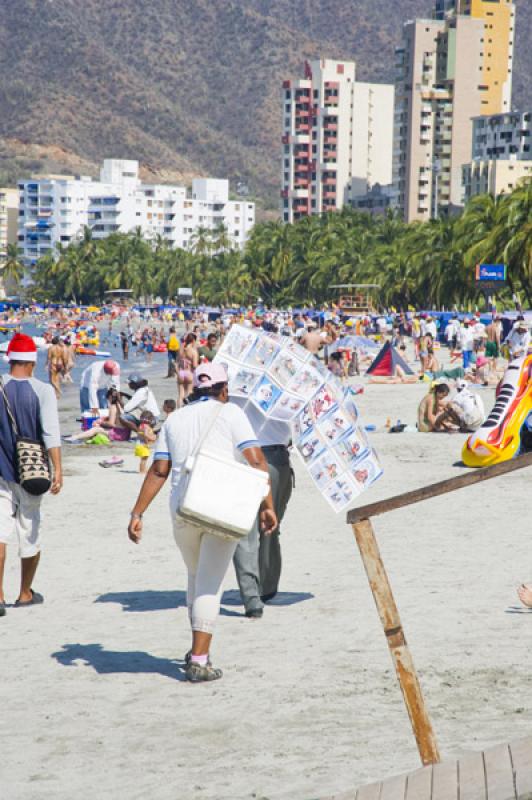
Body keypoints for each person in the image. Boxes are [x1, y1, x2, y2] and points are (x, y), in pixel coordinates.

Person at [127, 362, 277, 682]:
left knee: (196, 576)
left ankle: (197, 647)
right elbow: (256, 459)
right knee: (210, 582)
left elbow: (158, 471)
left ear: (195, 389)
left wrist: (137, 513)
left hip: (183, 510)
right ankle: (199, 658)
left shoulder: (175, 419)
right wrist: (267, 505)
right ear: (224, 390)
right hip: (222, 509)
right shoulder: (232, 413)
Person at [0, 334, 62, 616]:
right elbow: (50, 433)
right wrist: (58, 469)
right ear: (32, 362)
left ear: (10, 359)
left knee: (0, 533)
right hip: (32, 472)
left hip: (1, 472)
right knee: (29, 530)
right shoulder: (43, 390)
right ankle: (25, 592)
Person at [233, 403, 293, 619]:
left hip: (245, 456)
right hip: (277, 457)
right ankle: (266, 588)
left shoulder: (233, 378)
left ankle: (252, 597)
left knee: (246, 532)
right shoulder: (288, 382)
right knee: (271, 527)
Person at [177, 333, 199, 407]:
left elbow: (178, 361)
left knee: (180, 395)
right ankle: (187, 411)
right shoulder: (193, 351)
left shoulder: (181, 349)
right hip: (189, 372)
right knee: (189, 393)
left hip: (181, 372)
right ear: (193, 341)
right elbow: (195, 365)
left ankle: (179, 411)